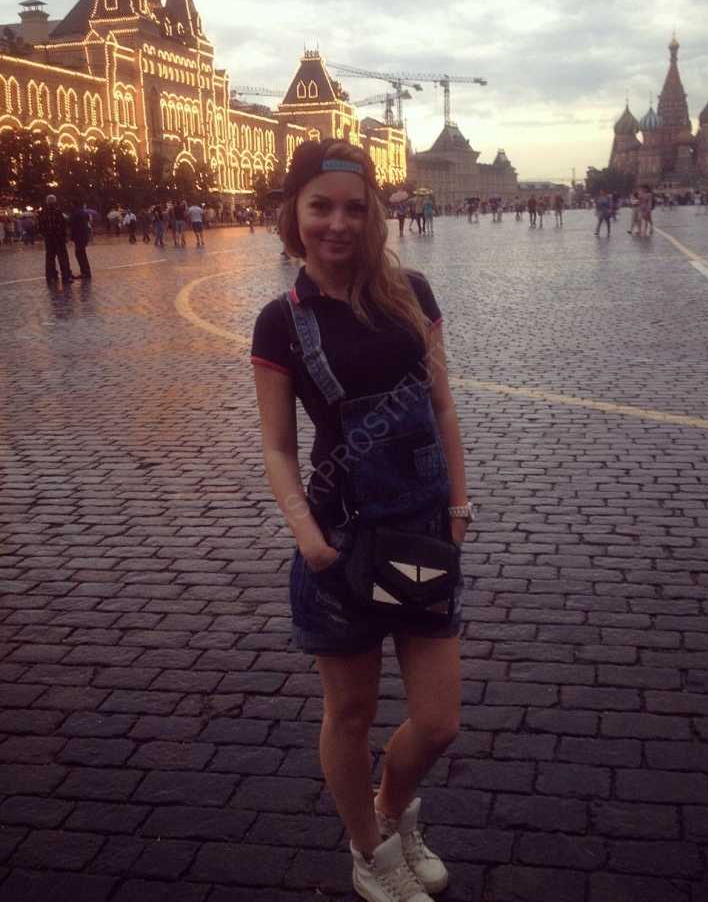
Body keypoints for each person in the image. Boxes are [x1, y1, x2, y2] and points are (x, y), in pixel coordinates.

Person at [251, 139, 470, 902]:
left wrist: (459, 505)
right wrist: (307, 538)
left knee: (438, 721)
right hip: (339, 541)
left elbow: (442, 405)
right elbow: (278, 446)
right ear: (295, 213)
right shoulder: (280, 322)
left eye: (354, 207)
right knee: (350, 713)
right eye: (321, 207)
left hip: (420, 532)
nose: (337, 223)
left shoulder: (413, 292)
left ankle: (389, 809)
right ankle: (369, 852)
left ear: (374, 211)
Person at [38, 194, 75, 285]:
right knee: (63, 258)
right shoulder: (58, 212)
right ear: (55, 202)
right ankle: (66, 277)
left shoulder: (43, 213)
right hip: (59, 238)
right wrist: (64, 236)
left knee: (50, 258)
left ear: (47, 202)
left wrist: (45, 234)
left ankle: (51, 276)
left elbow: (40, 226)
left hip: (49, 239)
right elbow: (62, 225)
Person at [69, 201, 92, 279]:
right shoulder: (84, 213)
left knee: (80, 254)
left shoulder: (75, 214)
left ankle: (85, 272)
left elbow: (70, 222)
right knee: (82, 253)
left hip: (78, 236)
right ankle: (86, 271)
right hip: (84, 235)